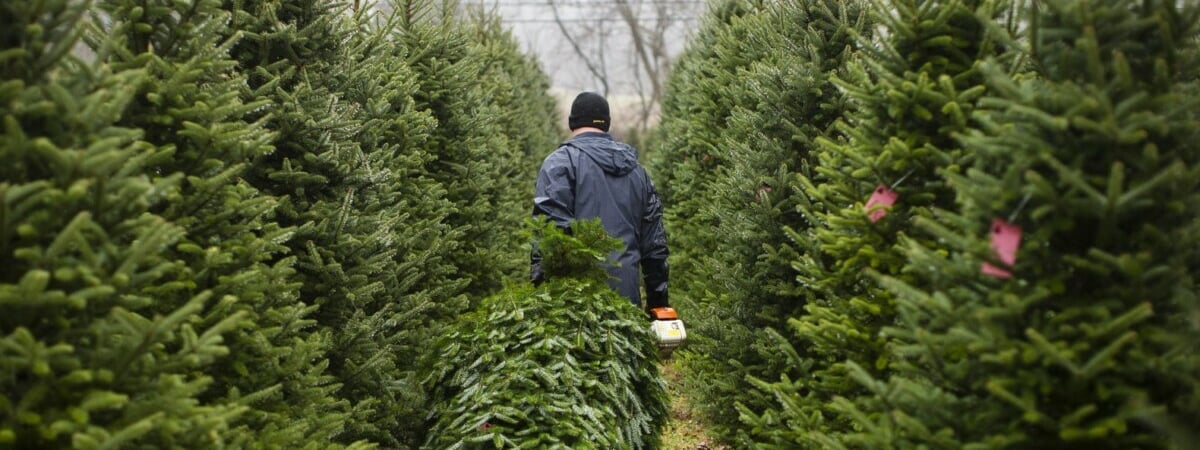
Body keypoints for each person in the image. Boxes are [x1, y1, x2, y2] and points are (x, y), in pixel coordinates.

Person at [531, 92, 670, 311]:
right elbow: (655, 246)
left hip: (573, 308)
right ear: (606, 124)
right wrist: (658, 304)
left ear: (571, 123)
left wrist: (541, 298)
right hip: (627, 304)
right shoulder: (638, 172)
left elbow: (549, 236)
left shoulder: (559, 163)